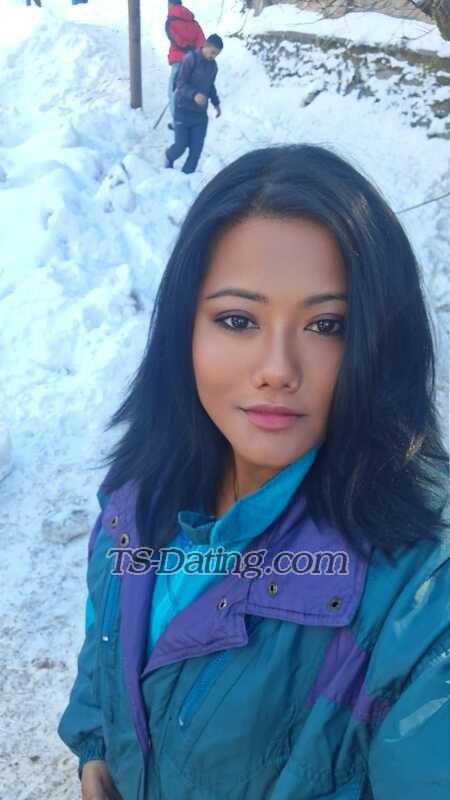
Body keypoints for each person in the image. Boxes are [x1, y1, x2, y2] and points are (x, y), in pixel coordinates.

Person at [58, 145, 450, 800]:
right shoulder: (138, 499)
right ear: (184, 329)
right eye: (238, 320)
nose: (277, 369)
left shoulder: (426, 588)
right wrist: (98, 747)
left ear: (382, 343)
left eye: (327, 325)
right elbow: (106, 647)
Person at [165, 34, 223, 175]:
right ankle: (168, 157)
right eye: (213, 52)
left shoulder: (213, 66)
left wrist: (216, 103)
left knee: (196, 151)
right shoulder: (190, 59)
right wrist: (194, 94)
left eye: (217, 54)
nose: (214, 56)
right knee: (181, 146)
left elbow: (210, 86)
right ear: (206, 46)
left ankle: (186, 177)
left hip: (200, 115)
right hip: (183, 110)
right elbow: (180, 84)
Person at [165, 0, 205, 130]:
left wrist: (186, 48)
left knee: (173, 92)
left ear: (171, 4)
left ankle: (178, 122)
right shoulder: (194, 23)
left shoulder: (170, 21)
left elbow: (174, 39)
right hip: (192, 62)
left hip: (178, 61)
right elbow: (202, 43)